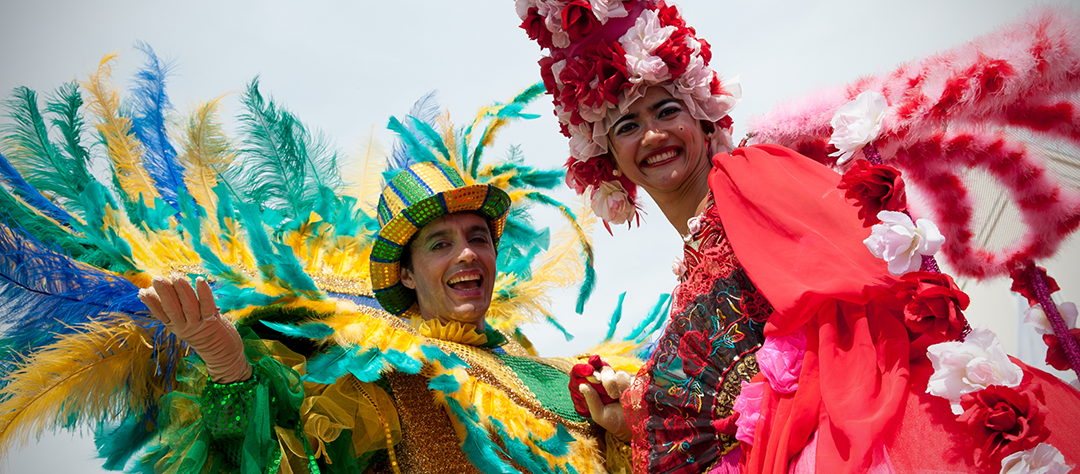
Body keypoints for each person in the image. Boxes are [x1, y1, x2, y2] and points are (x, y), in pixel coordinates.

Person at [513, 1, 1080, 473]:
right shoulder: (690, 259)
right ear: (608, 157)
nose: (654, 134)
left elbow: (866, 299)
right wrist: (632, 408)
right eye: (627, 126)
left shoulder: (755, 175)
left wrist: (780, 412)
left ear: (704, 119)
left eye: (666, 110)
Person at [0, 66, 637, 474]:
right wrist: (232, 373)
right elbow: (284, 461)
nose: (468, 253)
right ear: (408, 275)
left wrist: (624, 430)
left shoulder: (558, 378)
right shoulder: (376, 372)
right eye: (439, 244)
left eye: (478, 237)